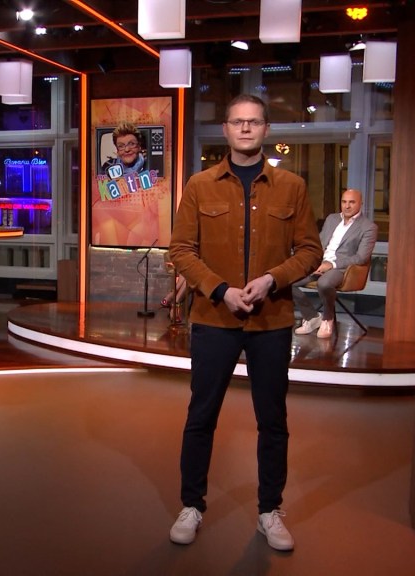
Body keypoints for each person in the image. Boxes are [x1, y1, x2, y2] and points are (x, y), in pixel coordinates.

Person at [167, 94, 322, 551]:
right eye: (238, 122)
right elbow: (181, 250)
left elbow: (310, 251)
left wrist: (273, 279)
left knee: (273, 420)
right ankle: (191, 505)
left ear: (266, 129)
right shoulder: (199, 185)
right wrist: (220, 290)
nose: (246, 128)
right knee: (201, 416)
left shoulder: (292, 186)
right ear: (226, 129)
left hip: (271, 321)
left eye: (254, 122)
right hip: (213, 318)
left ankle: (269, 511)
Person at [291, 188, 378, 338]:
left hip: (342, 268)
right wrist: (313, 261)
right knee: (288, 281)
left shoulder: (368, 227)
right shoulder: (332, 219)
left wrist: (332, 264)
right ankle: (312, 317)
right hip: (320, 263)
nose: (347, 206)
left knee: (324, 283)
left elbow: (361, 257)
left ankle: (328, 318)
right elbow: (319, 243)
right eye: (344, 202)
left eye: (352, 202)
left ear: (361, 204)